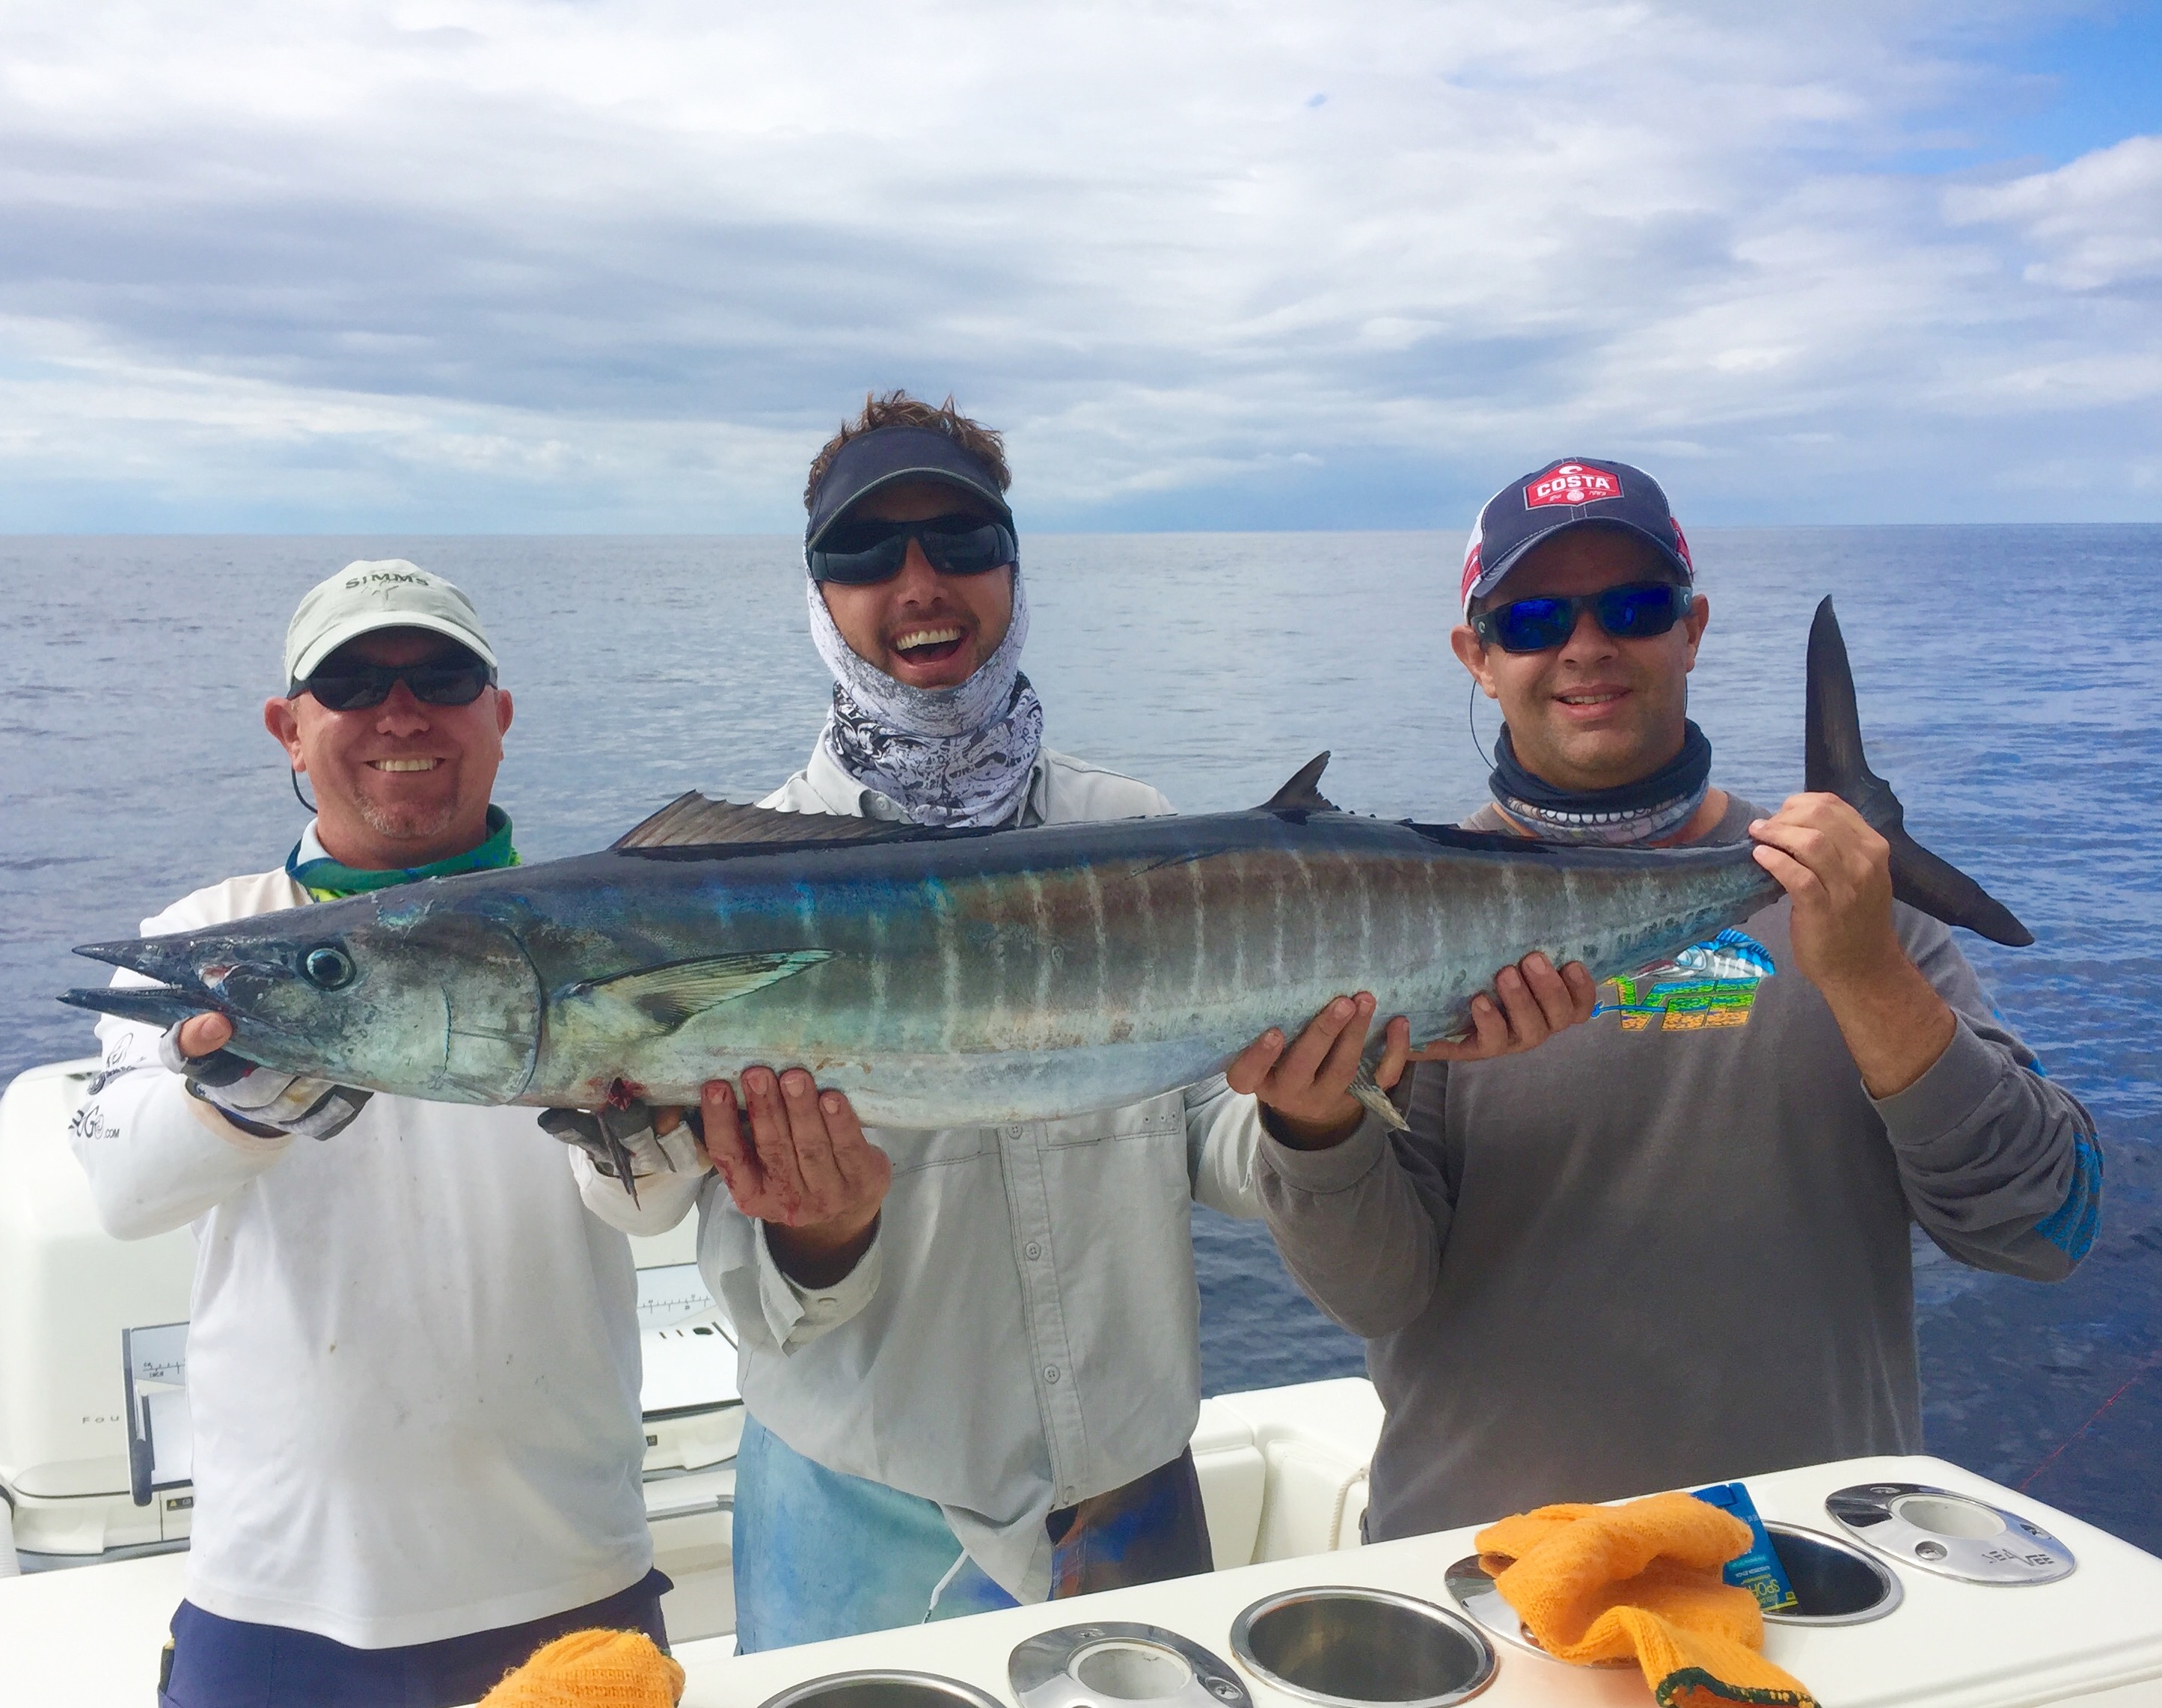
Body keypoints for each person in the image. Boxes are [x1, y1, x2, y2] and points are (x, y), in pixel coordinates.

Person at [1230, 457, 2102, 1537]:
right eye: (1534, 617)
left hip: (1819, 1572)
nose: (1585, 647)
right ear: (1476, 657)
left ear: (1689, 631)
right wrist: (1312, 1126)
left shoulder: (1846, 899)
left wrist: (1867, 978)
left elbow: (2041, 1226)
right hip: (1486, 1574)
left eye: (1632, 609)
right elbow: (1378, 1296)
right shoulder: (1397, 923)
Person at [578, 392, 1263, 1650]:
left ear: (1009, 568)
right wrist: (819, 1238)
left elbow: (1214, 1135)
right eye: (863, 555)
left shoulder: (1136, 835)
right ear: (819, 594)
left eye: (958, 541)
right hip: (860, 1508)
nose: (918, 584)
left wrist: (1320, 1115)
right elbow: (636, 1203)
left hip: (1131, 1491)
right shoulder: (708, 888)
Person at [70, 563, 664, 1708]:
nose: (401, 711)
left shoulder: (607, 931)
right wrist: (233, 1094)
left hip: (569, 1573)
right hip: (277, 1597)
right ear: (289, 731)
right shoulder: (210, 937)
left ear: (496, 716)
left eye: (440, 675)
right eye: (351, 683)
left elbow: (652, 1208)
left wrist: (647, 1127)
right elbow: (120, 1179)